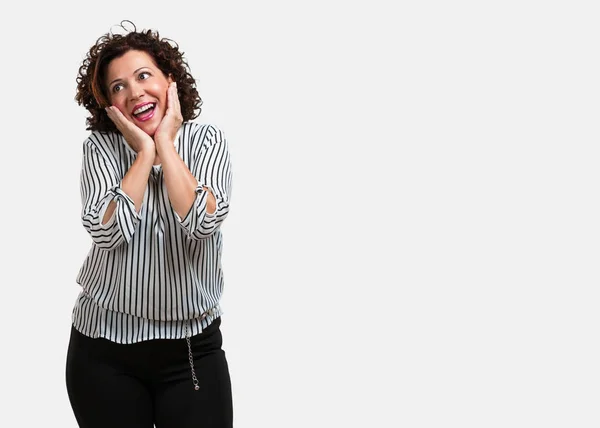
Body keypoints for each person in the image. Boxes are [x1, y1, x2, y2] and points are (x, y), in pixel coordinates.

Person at [65, 21, 234, 428]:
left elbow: (201, 221)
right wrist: (143, 153)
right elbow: (109, 232)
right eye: (118, 86)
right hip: (103, 350)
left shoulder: (206, 140)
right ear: (108, 103)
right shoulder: (101, 149)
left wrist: (166, 146)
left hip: (192, 350)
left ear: (169, 82)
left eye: (144, 76)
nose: (135, 91)